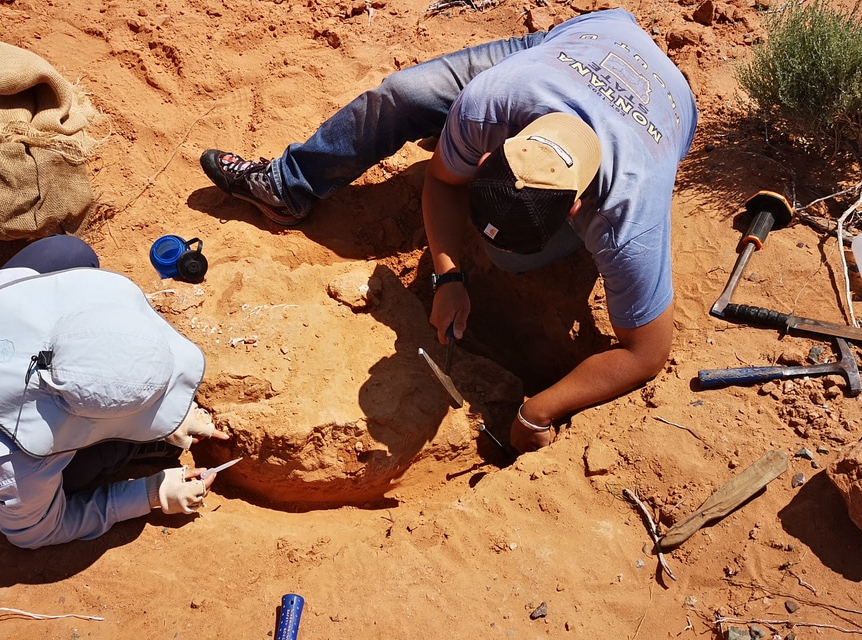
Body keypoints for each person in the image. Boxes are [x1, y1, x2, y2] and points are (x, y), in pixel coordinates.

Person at [201, 9, 697, 453]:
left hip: (666, 102)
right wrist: (448, 277)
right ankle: (289, 186)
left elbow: (647, 352)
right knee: (402, 95)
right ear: (491, 154)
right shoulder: (490, 103)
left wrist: (538, 410)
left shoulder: (629, 216)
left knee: (507, 257)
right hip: (580, 42)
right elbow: (442, 179)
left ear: (575, 212)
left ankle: (477, 185)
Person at [0, 235, 229, 549]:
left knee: (66, 254)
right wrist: (151, 494)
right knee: (114, 448)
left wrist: (167, 407)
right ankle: (129, 444)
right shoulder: (23, 459)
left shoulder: (10, 290)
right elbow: (34, 533)